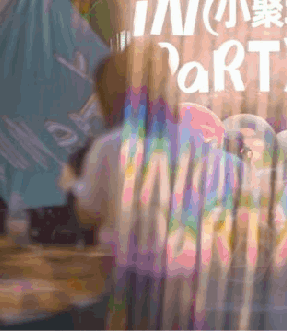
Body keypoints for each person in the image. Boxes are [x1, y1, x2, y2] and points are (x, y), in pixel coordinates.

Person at [59, 44, 243, 329]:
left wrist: (70, 182)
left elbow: (88, 214)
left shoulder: (111, 146)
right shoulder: (199, 147)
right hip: (190, 284)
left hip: (126, 283)